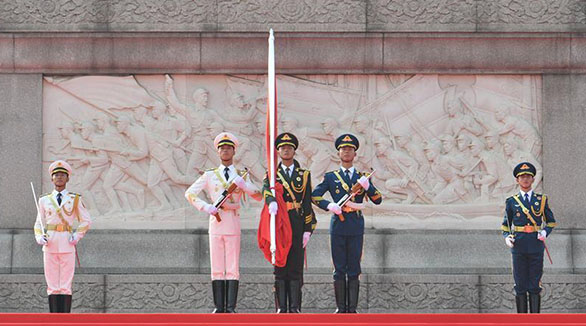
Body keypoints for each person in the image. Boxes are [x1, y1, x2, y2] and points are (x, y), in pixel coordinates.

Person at [185, 132, 262, 313]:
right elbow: (189, 193)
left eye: (228, 148)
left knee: (233, 266)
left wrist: (244, 186)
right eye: (222, 148)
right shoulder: (210, 175)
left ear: (234, 151)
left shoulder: (241, 175)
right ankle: (219, 307)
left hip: (233, 222)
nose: (225, 151)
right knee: (217, 265)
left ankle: (231, 307)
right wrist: (206, 207)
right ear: (218, 152)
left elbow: (258, 196)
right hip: (216, 221)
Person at [311, 134, 382, 313]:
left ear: (355, 154)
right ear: (338, 153)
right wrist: (330, 205)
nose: (347, 152)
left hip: (355, 223)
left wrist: (368, 187)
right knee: (339, 266)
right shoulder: (331, 177)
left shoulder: (362, 177)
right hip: (338, 224)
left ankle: (352, 308)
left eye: (350, 149)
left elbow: (378, 199)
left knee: (354, 266)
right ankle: (341, 308)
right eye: (344, 149)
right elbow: (314, 196)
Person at [262, 132, 316, 313]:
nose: (286, 150)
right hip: (279, 222)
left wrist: (308, 229)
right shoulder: (272, 174)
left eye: (289, 147)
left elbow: (307, 202)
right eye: (282, 148)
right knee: (280, 264)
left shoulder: (304, 175)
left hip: (297, 221)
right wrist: (271, 203)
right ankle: (281, 307)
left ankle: (294, 307)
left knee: (295, 265)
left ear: (294, 151)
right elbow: (266, 190)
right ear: (278, 151)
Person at [33, 160, 92, 313]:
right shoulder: (44, 200)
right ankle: (54, 318)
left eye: (62, 175)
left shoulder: (75, 199)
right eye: (56, 175)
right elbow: (39, 223)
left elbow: (86, 220)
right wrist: (39, 237)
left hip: (67, 242)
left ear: (67, 179)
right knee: (52, 284)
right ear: (52, 179)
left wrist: (77, 236)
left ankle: (65, 319)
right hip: (50, 243)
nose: (59, 178)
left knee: (65, 284)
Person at [501, 162, 556, 313]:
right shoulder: (512, 201)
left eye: (528, 177)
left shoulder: (541, 200)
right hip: (518, 245)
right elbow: (506, 224)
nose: (525, 180)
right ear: (517, 180)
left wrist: (545, 232)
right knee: (520, 285)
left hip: (535, 244)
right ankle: (521, 321)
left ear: (532, 180)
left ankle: (535, 321)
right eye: (522, 177)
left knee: (534, 285)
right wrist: (507, 237)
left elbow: (551, 221)